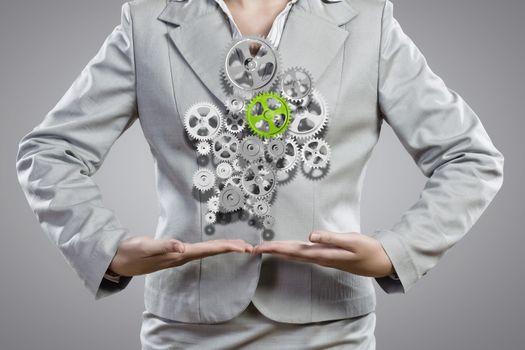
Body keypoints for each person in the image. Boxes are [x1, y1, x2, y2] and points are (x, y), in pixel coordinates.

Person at [15, 0, 504, 349]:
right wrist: (107, 248)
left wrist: (395, 252)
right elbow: (49, 152)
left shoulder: (369, 21)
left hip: (330, 328)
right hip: (186, 328)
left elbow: (470, 158)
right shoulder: (147, 21)